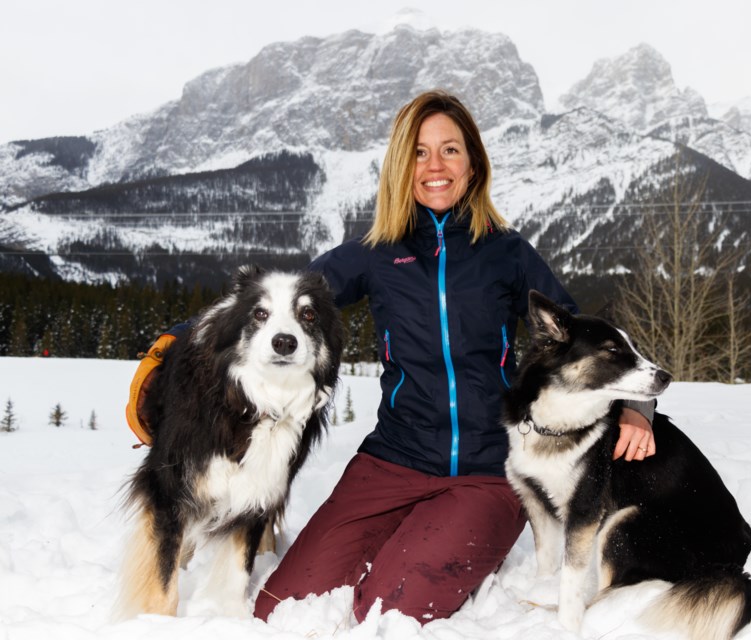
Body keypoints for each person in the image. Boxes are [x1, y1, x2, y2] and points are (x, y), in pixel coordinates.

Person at [130, 90, 656, 624]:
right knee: (280, 606)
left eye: (450, 150)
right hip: (392, 460)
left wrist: (639, 408)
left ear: (473, 164)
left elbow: (582, 338)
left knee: (392, 607)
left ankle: (443, 533)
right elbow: (280, 300)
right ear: (401, 168)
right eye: (420, 153)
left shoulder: (507, 252)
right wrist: (172, 343)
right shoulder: (376, 253)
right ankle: (409, 527)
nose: (435, 166)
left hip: (484, 471)